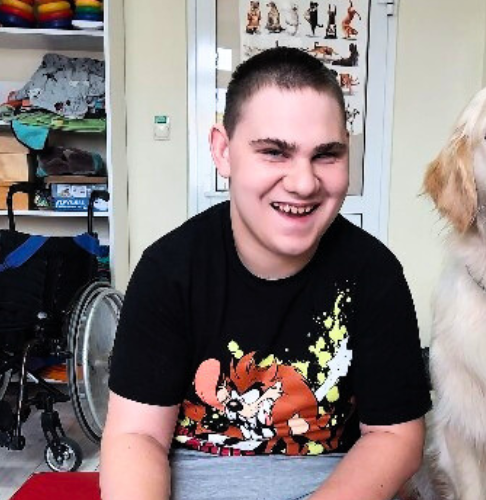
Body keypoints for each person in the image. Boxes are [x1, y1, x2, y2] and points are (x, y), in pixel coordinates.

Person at [100, 47, 431, 500]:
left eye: (326, 155)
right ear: (223, 151)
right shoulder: (168, 270)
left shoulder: (374, 275)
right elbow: (136, 436)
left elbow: (395, 437)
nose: (304, 183)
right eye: (274, 152)